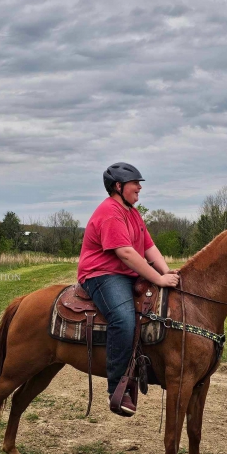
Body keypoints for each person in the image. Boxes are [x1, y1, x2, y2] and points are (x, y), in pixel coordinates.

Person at [78, 162, 180, 416]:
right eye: (136, 184)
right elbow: (125, 253)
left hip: (126, 274)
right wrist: (158, 278)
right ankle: (118, 388)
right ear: (118, 186)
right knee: (123, 320)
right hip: (101, 275)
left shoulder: (132, 212)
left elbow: (148, 247)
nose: (139, 188)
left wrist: (166, 271)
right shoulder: (110, 212)